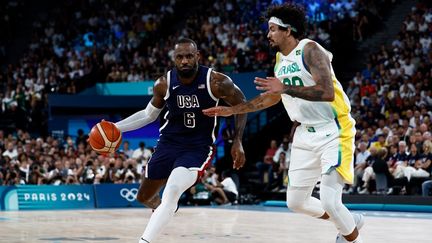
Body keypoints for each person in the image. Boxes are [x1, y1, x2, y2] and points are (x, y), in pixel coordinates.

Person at [203, 4, 363, 243]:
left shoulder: (310, 49)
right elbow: (273, 96)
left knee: (330, 200)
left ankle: (352, 237)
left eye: (273, 29)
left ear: (288, 30)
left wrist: (285, 87)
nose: (268, 34)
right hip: (304, 134)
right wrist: (233, 110)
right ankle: (349, 221)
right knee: (296, 202)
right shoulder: (280, 59)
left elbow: (327, 91)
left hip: (334, 130)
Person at [111, 38, 247, 243]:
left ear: (198, 56)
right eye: (180, 57)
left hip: (198, 147)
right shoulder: (163, 84)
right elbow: (148, 115)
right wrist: (115, 127)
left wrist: (238, 140)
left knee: (172, 189)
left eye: (189, 56)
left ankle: (145, 239)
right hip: (168, 143)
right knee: (144, 197)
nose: (184, 61)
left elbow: (242, 104)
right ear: (174, 59)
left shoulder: (216, 82)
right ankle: (166, 209)